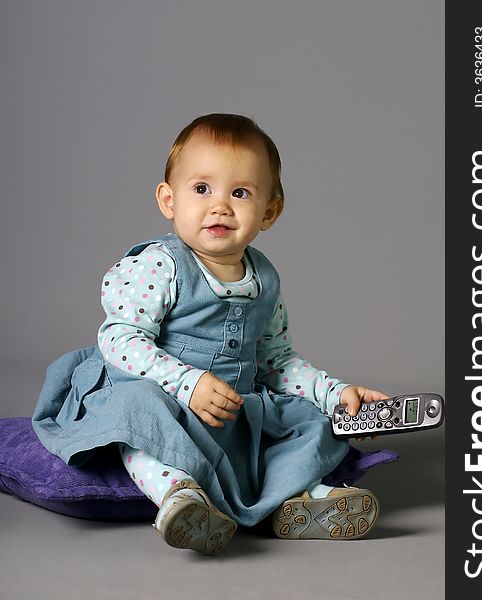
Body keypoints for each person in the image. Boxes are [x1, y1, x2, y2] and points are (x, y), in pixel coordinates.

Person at [32, 113, 389, 555]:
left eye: (240, 193)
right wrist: (189, 382)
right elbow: (120, 341)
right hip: (162, 393)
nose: (220, 205)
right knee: (136, 415)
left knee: (311, 421)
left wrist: (336, 393)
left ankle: (299, 501)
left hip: (231, 407)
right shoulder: (160, 265)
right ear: (169, 200)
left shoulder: (265, 279)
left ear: (270, 211)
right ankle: (179, 495)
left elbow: (276, 362)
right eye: (202, 189)